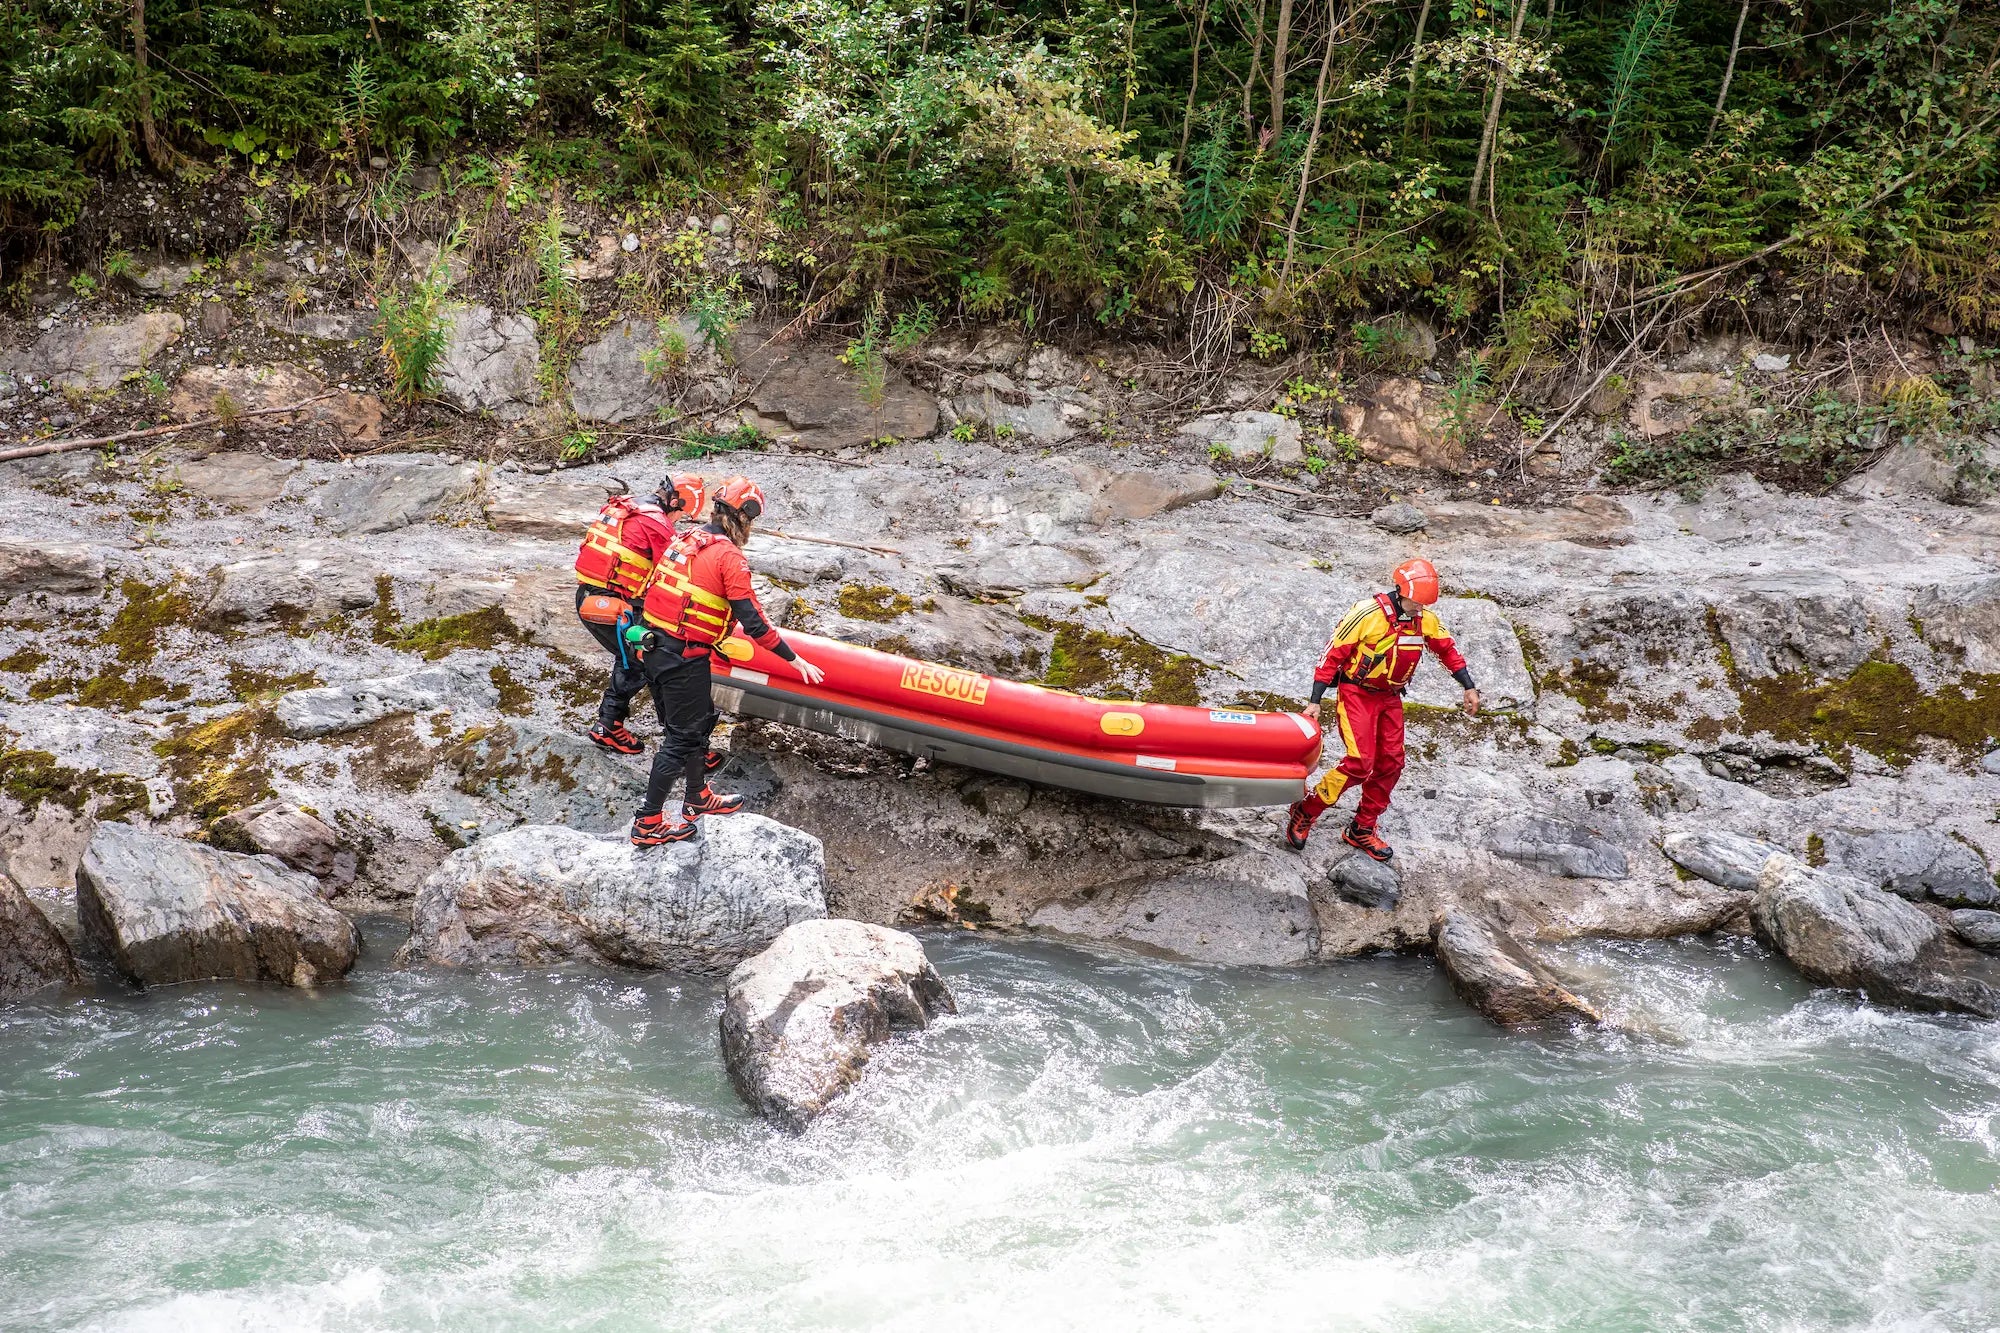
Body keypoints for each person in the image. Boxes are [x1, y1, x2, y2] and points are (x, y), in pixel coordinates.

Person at [627, 476, 824, 846]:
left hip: (652, 648)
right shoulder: (729, 556)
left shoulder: (684, 539)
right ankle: (648, 821)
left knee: (695, 725)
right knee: (682, 737)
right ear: (744, 516)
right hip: (682, 657)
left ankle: (697, 796)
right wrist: (793, 659)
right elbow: (753, 622)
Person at [1283, 557, 1480, 861]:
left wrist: (1468, 686)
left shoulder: (1423, 619)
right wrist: (1315, 700)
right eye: (1417, 602)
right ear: (1401, 591)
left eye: (1424, 604)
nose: (1420, 609)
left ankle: (1362, 827)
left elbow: (1447, 649)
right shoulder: (1367, 614)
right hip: (1356, 694)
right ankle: (1306, 809)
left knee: (1392, 763)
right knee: (1360, 762)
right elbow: (1332, 655)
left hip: (1390, 697)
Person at [572, 474, 705, 755]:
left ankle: (612, 724)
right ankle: (679, 744)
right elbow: (672, 570)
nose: (680, 519)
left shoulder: (627, 506)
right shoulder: (657, 523)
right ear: (675, 501)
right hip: (614, 607)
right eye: (682, 513)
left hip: (589, 597)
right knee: (651, 659)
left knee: (635, 657)